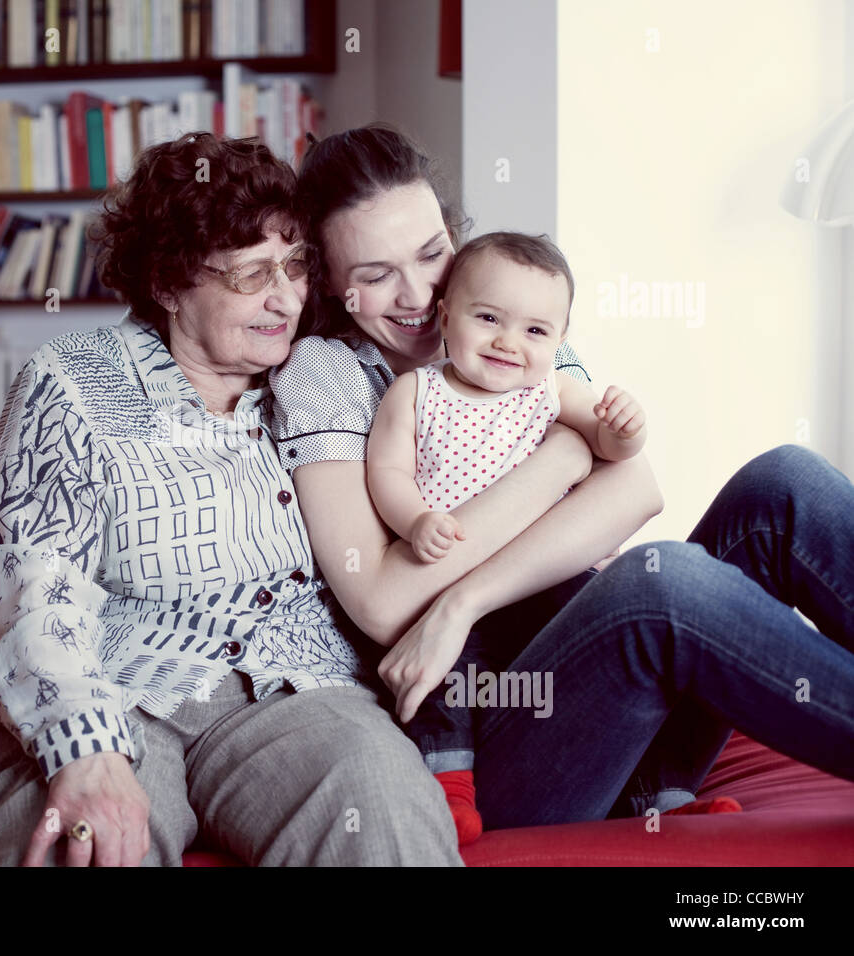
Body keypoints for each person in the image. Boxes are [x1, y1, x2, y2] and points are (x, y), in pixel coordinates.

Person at [270, 122, 854, 834]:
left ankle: (657, 786)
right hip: (487, 736)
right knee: (657, 581)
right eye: (374, 275)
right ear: (330, 285)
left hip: (598, 705)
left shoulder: (508, 319)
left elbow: (635, 491)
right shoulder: (323, 374)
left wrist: (462, 601)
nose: (420, 293)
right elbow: (386, 600)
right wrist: (563, 461)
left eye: (431, 253)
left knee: (783, 485)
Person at [0, 131, 463, 866]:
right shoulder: (76, 381)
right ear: (169, 284)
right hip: (108, 678)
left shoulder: (323, 378)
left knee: (382, 797)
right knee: (73, 840)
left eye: (296, 266)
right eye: (249, 277)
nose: (285, 298)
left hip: (289, 687)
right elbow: (35, 586)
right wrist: (82, 747)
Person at [361, 230, 648, 842]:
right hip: (454, 579)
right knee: (445, 668)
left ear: (560, 342)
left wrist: (625, 430)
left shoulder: (552, 392)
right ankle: (449, 783)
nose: (507, 343)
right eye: (488, 317)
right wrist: (415, 519)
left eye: (535, 331)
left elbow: (608, 447)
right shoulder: (418, 392)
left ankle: (661, 797)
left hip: (542, 572)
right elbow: (386, 471)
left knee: (610, 638)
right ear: (445, 316)